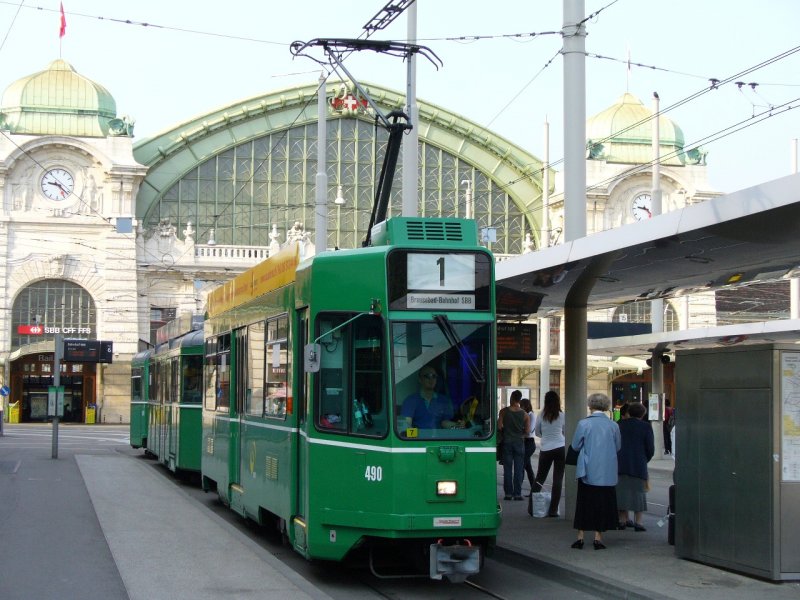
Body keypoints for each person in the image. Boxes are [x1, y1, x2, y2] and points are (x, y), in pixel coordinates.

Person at [569, 392, 621, 550]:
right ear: (606, 406)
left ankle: (581, 536)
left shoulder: (583, 424)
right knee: (602, 504)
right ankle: (598, 536)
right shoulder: (613, 425)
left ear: (590, 405)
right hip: (607, 470)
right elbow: (618, 447)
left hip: (588, 469)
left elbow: (575, 446)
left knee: (584, 503)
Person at [616, 401, 655, 531]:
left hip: (620, 463)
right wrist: (644, 459)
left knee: (622, 492)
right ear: (643, 414)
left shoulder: (619, 425)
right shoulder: (645, 427)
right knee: (639, 493)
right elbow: (650, 448)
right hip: (638, 464)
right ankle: (639, 522)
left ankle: (622, 520)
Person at [532, 390, 565, 517]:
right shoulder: (562, 415)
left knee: (540, 478)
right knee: (558, 479)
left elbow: (537, 433)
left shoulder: (541, 415)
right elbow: (564, 431)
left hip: (546, 448)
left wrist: (545, 436)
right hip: (560, 447)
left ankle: (532, 507)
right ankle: (553, 510)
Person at [399, 366, 457, 430]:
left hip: (439, 439)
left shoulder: (443, 400)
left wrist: (458, 426)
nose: (431, 379)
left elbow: (445, 423)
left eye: (434, 376)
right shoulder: (410, 401)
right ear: (420, 379)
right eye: (427, 376)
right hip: (418, 439)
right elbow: (406, 425)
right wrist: (416, 436)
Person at [498, 390, 529, 501]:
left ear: (511, 398)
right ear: (520, 399)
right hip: (519, 443)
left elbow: (499, 426)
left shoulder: (503, 412)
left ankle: (508, 494)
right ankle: (517, 494)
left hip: (507, 442)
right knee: (519, 469)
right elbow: (527, 431)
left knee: (507, 469)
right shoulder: (525, 414)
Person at [520, 398, 537, 492]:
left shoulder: (531, 415)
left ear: (526, 406)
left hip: (529, 442)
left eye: (521, 405)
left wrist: (522, 430)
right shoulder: (525, 415)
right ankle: (534, 490)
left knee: (522, 465)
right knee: (528, 467)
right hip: (525, 442)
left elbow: (529, 430)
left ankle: (518, 489)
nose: (520, 407)